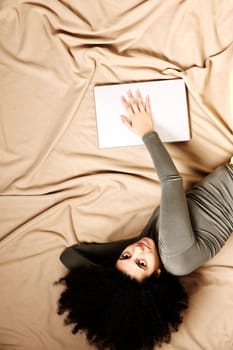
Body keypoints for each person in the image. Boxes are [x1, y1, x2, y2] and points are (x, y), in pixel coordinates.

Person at [56, 90, 233, 350]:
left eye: (125, 257)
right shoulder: (173, 255)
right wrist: (146, 131)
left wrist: (114, 272)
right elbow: (171, 182)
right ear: (157, 276)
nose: (137, 250)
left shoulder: (149, 244)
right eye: (141, 263)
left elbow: (70, 256)